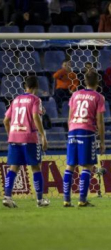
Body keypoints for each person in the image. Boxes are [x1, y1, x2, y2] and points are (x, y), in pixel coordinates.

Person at [2, 76, 49, 208]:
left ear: (25, 87)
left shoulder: (16, 99)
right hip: (29, 138)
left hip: (14, 138)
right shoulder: (35, 99)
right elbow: (35, 116)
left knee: (14, 168)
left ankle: (7, 197)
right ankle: (40, 200)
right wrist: (43, 136)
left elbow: (6, 120)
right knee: (35, 167)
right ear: (36, 87)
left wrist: (11, 134)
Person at [63, 72, 106, 207]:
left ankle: (66, 200)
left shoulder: (75, 95)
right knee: (87, 166)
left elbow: (69, 118)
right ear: (97, 82)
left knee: (70, 165)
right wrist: (102, 141)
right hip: (86, 132)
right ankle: (82, 199)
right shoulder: (98, 97)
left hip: (72, 131)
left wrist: (71, 131)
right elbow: (100, 121)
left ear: (85, 81)